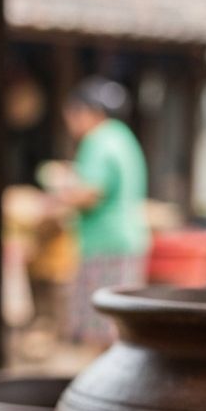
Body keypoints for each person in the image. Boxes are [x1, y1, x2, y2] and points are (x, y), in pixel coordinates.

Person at [57, 77, 150, 347]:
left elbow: (91, 192)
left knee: (102, 328)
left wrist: (60, 196)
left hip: (105, 244)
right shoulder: (122, 136)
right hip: (127, 240)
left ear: (88, 112)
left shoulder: (98, 140)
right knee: (120, 322)